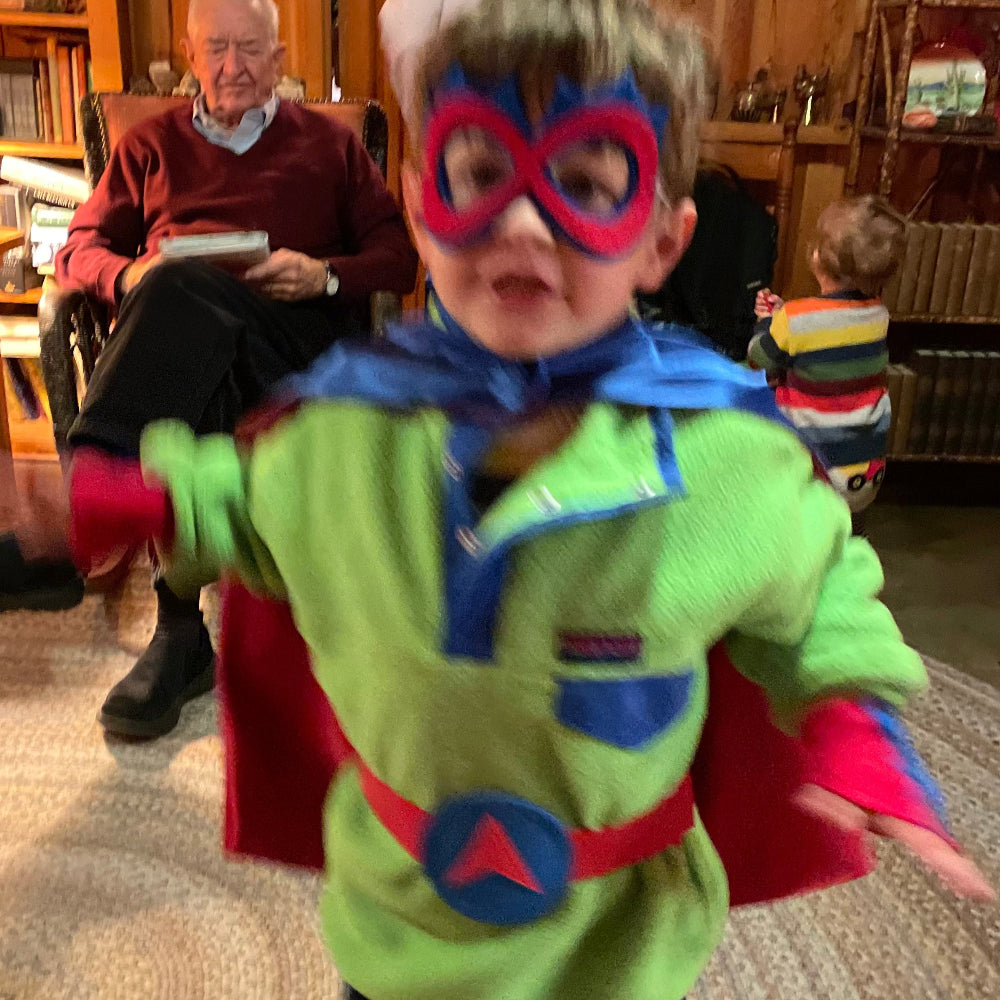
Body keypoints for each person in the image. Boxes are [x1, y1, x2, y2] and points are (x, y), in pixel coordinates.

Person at [39, 1, 998, 998]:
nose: (523, 218)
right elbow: (242, 502)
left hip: (613, 951)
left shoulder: (725, 461)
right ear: (421, 203)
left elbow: (815, 588)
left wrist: (849, 716)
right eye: (483, 171)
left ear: (661, 244)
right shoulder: (342, 435)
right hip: (396, 929)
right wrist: (119, 498)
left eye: (583, 181)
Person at [0, 0, 418, 740]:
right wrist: (130, 280)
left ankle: (96, 511)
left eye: (250, 50)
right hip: (183, 344)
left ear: (279, 61)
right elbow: (78, 250)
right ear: (192, 58)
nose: (233, 67)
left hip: (293, 343)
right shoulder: (151, 147)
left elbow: (396, 255)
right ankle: (194, 630)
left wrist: (319, 275)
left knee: (184, 299)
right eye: (216, 49)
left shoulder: (330, 147)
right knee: (182, 315)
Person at [748, 196, 904, 532]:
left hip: (811, 475)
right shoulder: (877, 316)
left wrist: (766, 321)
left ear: (818, 257)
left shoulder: (796, 319)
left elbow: (758, 357)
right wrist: (785, 314)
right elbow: (830, 330)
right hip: (864, 475)